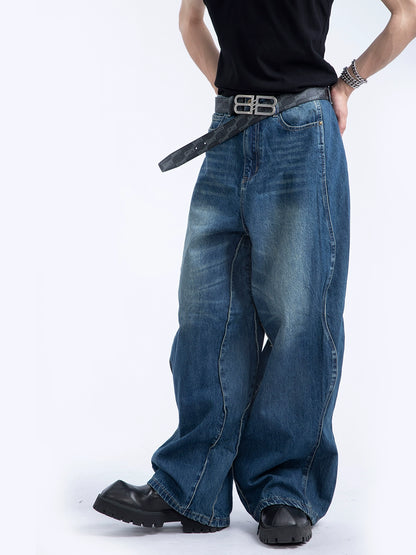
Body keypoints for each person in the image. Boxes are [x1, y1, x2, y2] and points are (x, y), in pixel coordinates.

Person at [93, 0, 416, 546]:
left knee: (299, 318)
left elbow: (406, 14)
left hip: (302, 130)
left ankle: (286, 490)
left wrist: (347, 83)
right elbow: (190, 20)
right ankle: (192, 486)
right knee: (207, 316)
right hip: (228, 133)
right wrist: (231, 91)